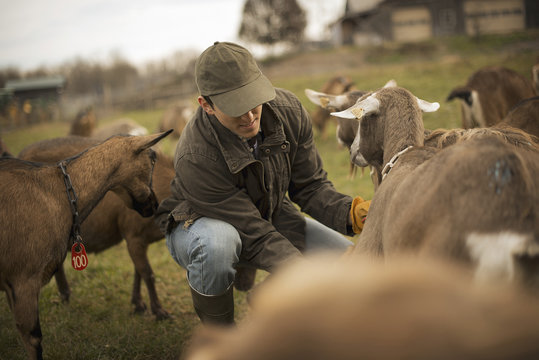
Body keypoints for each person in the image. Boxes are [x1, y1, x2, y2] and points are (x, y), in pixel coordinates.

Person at [155, 41, 370, 325]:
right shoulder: (194, 155)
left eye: (252, 99)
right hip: (199, 221)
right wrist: (300, 273)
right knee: (218, 244)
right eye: (235, 107)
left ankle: (264, 297)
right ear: (206, 104)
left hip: (267, 210)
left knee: (351, 265)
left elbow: (310, 187)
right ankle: (220, 336)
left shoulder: (289, 111)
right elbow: (253, 233)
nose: (249, 116)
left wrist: (351, 213)